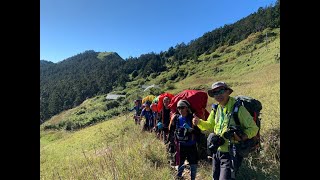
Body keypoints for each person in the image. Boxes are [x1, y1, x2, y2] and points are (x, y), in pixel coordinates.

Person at [192, 81, 259, 180]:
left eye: (221, 91)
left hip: (231, 153)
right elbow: (210, 125)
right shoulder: (216, 109)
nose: (218, 95)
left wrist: (242, 137)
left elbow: (254, 129)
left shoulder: (238, 109)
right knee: (215, 177)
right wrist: (199, 122)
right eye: (215, 92)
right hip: (217, 152)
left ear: (228, 92)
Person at [169, 99, 200, 180]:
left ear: (187, 108)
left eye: (182, 107)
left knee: (193, 164)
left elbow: (199, 133)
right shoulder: (176, 118)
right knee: (180, 163)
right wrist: (172, 144)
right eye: (178, 108)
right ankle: (179, 177)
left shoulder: (192, 118)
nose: (180, 110)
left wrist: (191, 130)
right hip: (181, 146)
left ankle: (193, 178)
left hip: (191, 145)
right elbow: (173, 131)